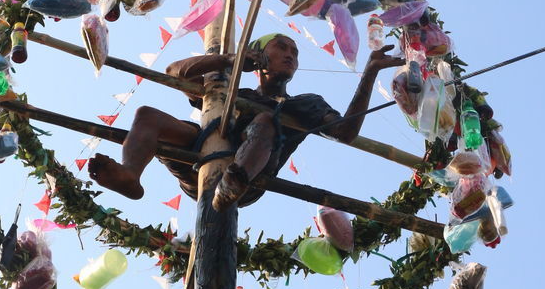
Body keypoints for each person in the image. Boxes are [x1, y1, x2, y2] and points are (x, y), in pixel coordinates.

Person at [87, 32, 404, 210]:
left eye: (294, 51)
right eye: (281, 47)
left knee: (266, 122)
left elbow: (345, 132)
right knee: (147, 116)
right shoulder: (227, 88)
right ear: (260, 56)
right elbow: (175, 72)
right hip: (201, 156)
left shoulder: (305, 104)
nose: (291, 54)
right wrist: (230, 61)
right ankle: (130, 174)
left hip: (247, 176)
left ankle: (232, 184)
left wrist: (369, 73)